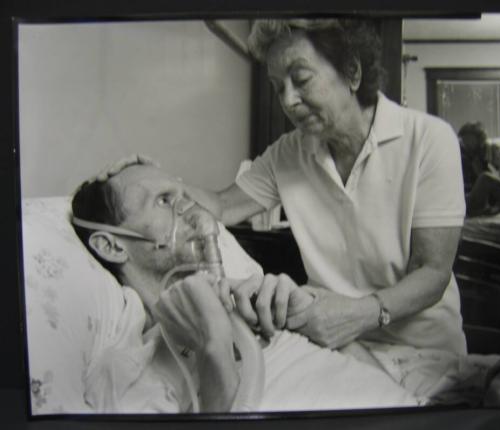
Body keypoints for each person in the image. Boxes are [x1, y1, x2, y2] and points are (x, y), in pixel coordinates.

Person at [187, 19, 468, 357]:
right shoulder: (287, 154)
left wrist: (360, 314)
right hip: (336, 350)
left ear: (352, 72)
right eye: (278, 87)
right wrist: (152, 178)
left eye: (301, 79)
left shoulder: (428, 139)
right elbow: (221, 205)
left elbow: (432, 272)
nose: (288, 100)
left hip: (424, 352)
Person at [70, 156, 422, 413]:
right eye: (164, 201)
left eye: (182, 195)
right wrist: (213, 346)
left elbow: (385, 391)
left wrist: (311, 322)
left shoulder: (253, 305)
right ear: (112, 245)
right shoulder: (125, 372)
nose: (191, 212)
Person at [458, 121, 500, 217]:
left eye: (466, 141)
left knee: (485, 178)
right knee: (485, 178)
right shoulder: (476, 155)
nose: (464, 146)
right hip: (465, 203)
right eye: (463, 142)